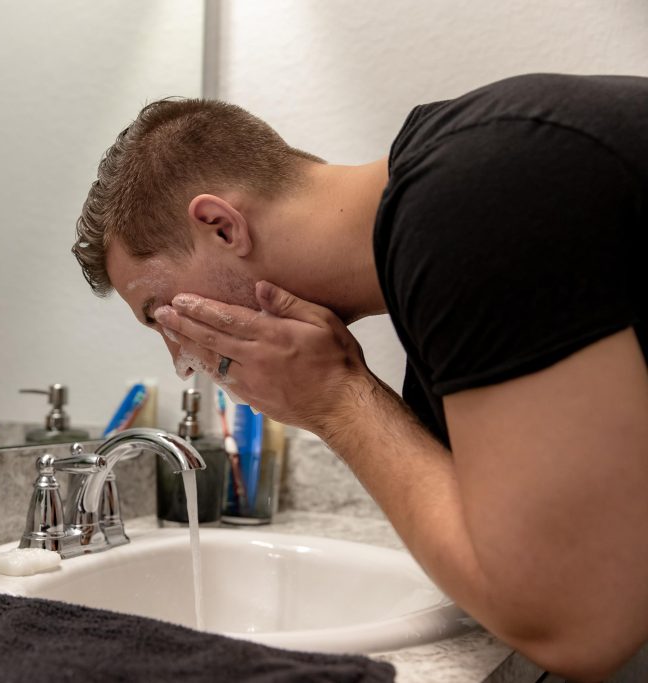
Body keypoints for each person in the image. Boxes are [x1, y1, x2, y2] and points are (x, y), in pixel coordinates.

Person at [72, 73, 647, 680]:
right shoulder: (455, 204)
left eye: (161, 311)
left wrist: (338, 401)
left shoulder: (474, 198)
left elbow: (572, 622)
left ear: (221, 226)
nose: (180, 358)